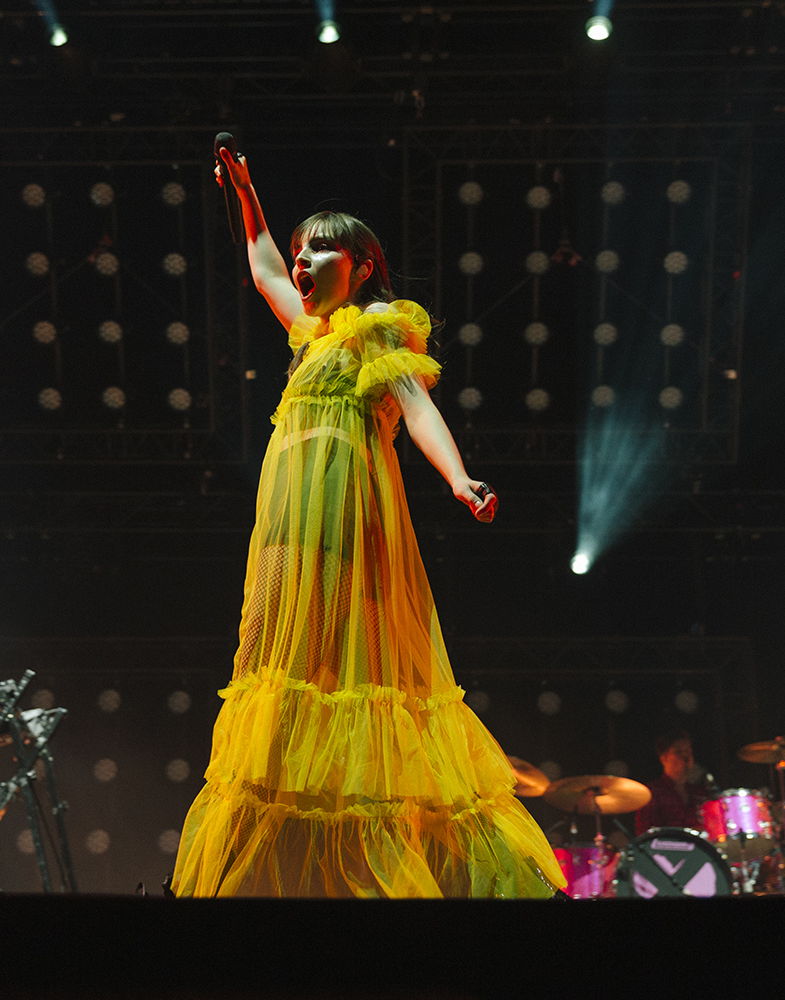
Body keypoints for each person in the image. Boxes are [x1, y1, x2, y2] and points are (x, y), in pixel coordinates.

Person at [170, 153, 564, 897]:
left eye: (320, 248)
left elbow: (416, 406)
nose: (302, 260)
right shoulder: (309, 334)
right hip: (286, 509)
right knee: (270, 647)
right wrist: (248, 192)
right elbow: (260, 268)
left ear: (363, 263)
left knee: (345, 659)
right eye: (300, 249)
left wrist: (458, 477)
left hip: (344, 504)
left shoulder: (376, 324)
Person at [633, 729, 710, 834]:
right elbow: (645, 834)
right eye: (678, 752)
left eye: (688, 752)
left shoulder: (698, 793)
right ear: (664, 759)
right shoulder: (652, 793)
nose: (685, 757)